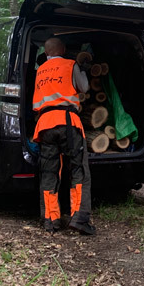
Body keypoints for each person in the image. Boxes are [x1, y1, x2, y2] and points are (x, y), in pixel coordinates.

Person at [32, 37, 96, 236]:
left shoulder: (40, 70)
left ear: (47, 52)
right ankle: (79, 218)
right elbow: (83, 88)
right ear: (64, 49)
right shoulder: (70, 65)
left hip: (45, 125)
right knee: (79, 170)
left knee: (49, 172)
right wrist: (83, 70)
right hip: (68, 122)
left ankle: (50, 219)